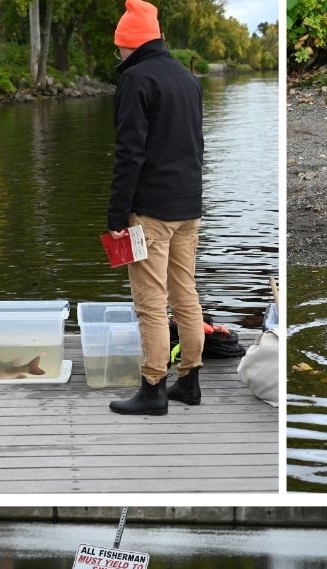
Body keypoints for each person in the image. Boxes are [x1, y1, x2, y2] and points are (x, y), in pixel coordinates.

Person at [106, 0, 206, 417]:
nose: (120, 56)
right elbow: (197, 146)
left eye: (119, 48)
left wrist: (116, 216)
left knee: (150, 303)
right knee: (185, 294)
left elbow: (130, 154)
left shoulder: (136, 80)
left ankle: (152, 389)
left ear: (129, 43)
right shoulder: (187, 78)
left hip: (150, 212)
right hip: (189, 206)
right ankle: (190, 381)